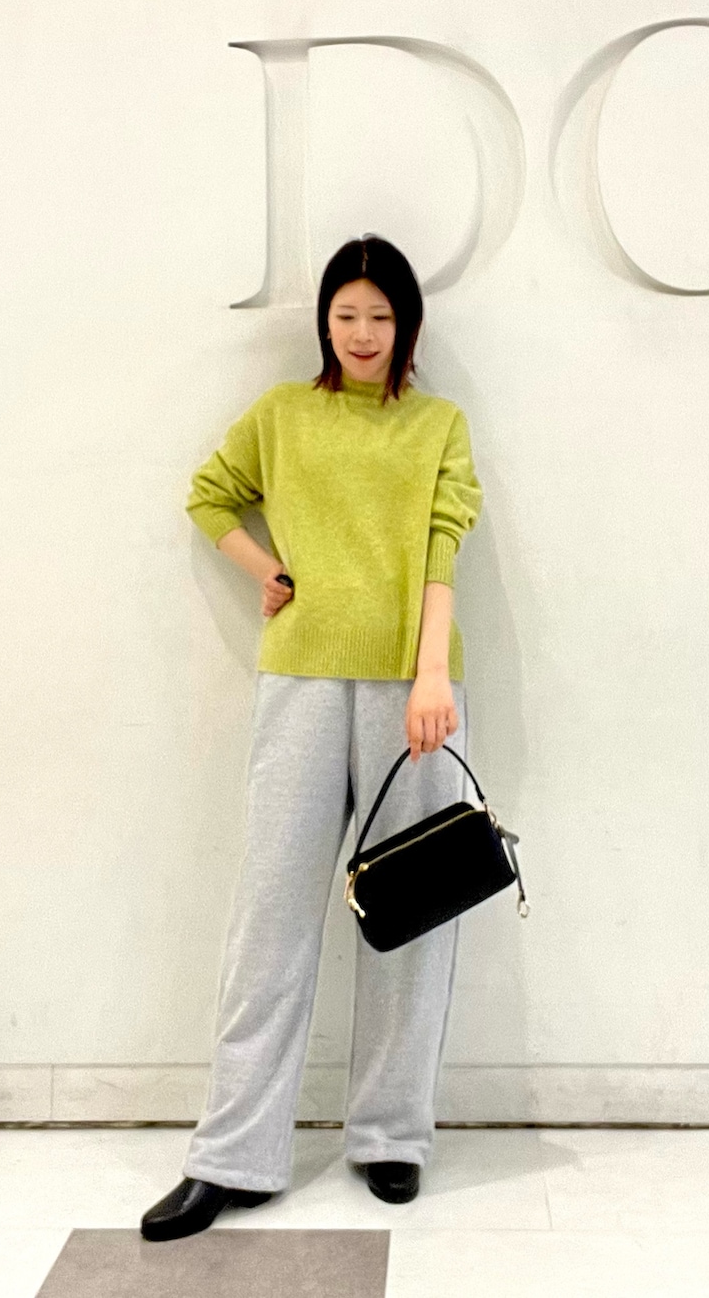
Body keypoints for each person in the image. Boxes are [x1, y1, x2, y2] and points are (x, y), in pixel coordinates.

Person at [141, 234, 483, 1242]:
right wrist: (266, 572)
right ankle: (233, 1153)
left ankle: (391, 1134)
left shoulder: (437, 424)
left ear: (405, 324)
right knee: (272, 914)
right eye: (345, 314)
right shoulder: (283, 415)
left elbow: (441, 547)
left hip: (412, 686)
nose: (362, 333)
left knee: (412, 914)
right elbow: (209, 494)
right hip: (300, 677)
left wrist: (430, 671)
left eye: (380, 316)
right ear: (325, 321)